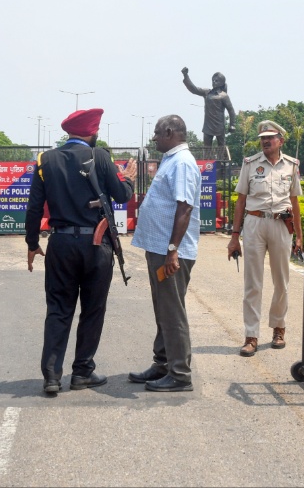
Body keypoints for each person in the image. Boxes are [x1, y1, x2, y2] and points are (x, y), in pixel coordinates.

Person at [25, 108, 137, 395]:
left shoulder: (45, 160)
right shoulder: (101, 157)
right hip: (95, 245)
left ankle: (51, 376)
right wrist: (128, 179)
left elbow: (34, 207)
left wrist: (32, 243)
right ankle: (82, 372)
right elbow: (122, 195)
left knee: (58, 309)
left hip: (60, 243)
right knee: (92, 309)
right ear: (93, 132)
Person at [129, 114, 202, 392]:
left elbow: (184, 209)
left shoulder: (182, 163)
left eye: (157, 134)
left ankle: (180, 374)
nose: (155, 138)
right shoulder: (172, 159)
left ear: (170, 132)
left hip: (171, 251)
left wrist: (173, 250)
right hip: (160, 247)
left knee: (172, 312)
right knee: (163, 308)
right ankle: (162, 363)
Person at [227, 120, 303, 356]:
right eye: (263, 138)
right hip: (255, 224)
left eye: (270, 137)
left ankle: (279, 329)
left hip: (281, 225)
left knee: (281, 281)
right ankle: (251, 336)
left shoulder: (291, 165)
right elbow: (240, 201)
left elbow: (295, 202)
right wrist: (234, 236)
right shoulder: (250, 164)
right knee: (253, 283)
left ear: (280, 140)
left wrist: (299, 236)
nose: (266, 141)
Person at [182, 67, 237, 147]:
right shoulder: (206, 92)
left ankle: (221, 160)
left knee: (221, 149)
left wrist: (232, 124)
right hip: (208, 126)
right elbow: (194, 89)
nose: (214, 82)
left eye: (216, 81)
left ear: (221, 83)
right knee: (207, 149)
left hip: (219, 126)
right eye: (213, 80)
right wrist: (186, 76)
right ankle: (208, 160)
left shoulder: (224, 96)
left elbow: (231, 111)